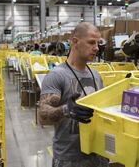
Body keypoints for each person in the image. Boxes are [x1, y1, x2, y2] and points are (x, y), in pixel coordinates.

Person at [39, 22, 109, 167]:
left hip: (98, 154)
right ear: (75, 42)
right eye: (91, 42)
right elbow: (43, 115)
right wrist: (66, 109)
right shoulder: (57, 75)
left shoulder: (96, 75)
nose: (96, 48)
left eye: (97, 43)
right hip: (70, 158)